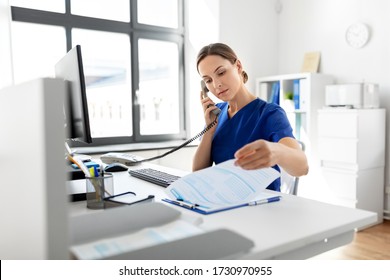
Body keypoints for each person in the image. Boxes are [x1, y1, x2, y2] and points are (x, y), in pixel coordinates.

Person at [193, 43, 308, 192]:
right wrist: (209, 130)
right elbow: (198, 174)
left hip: (261, 207)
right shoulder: (216, 114)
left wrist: (276, 152)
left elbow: (302, 167)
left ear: (238, 67)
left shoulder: (270, 114)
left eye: (221, 73)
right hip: (226, 203)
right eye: (208, 80)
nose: (217, 84)